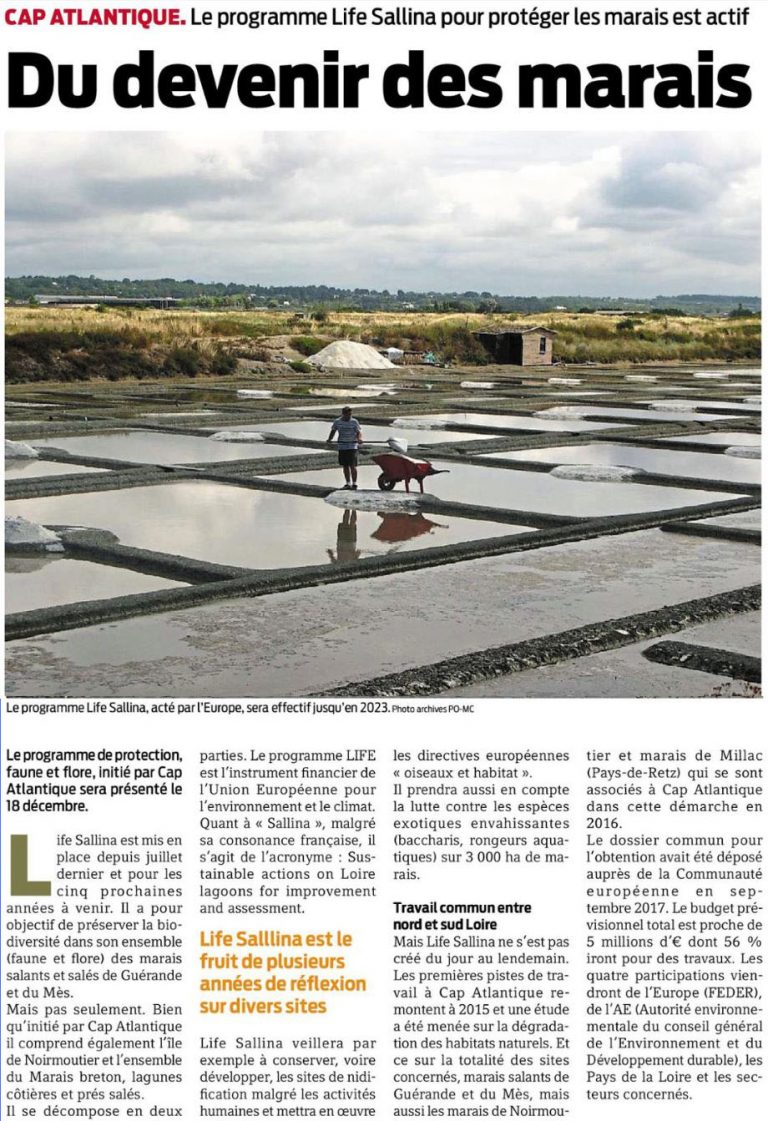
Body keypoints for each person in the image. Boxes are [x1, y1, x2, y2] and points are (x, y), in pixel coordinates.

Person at [326, 406, 363, 489]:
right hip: (342, 446)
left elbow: (358, 432)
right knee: (345, 466)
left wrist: (359, 439)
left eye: (350, 415)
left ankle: (354, 483)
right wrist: (329, 439)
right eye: (347, 415)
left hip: (352, 446)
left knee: (352, 465)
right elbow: (333, 431)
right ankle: (348, 483)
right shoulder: (337, 422)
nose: (349, 416)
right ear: (343, 414)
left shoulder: (354, 422)